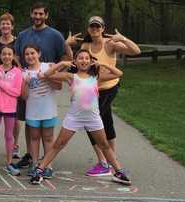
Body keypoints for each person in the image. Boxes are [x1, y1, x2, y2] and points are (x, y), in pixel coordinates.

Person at [30, 49, 131, 186]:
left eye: (86, 58)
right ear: (75, 62)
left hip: (93, 117)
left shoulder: (96, 76)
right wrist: (63, 63)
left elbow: (119, 73)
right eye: (80, 58)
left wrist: (103, 64)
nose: (84, 61)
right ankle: (39, 170)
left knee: (104, 145)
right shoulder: (71, 76)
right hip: (74, 117)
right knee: (58, 144)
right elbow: (47, 74)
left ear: (91, 61)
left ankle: (118, 171)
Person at [66, 16, 141, 176]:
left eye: (98, 27)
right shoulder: (86, 45)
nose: (95, 29)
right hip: (92, 90)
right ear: (88, 29)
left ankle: (104, 162)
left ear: (103, 28)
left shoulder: (111, 43)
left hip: (109, 88)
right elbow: (75, 64)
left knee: (91, 122)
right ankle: (111, 159)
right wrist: (67, 45)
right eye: (92, 27)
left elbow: (136, 51)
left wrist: (124, 39)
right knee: (106, 121)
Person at [14, 2, 72, 171]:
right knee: (32, 131)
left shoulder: (55, 35)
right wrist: (21, 76)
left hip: (48, 93)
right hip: (30, 90)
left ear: (46, 15)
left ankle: (46, 164)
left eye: (41, 14)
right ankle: (32, 160)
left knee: (47, 135)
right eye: (35, 13)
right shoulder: (23, 34)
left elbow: (64, 58)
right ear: (31, 14)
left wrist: (51, 74)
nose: (38, 16)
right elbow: (18, 56)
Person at [21, 44, 59, 177]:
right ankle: (35, 163)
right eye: (27, 54)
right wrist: (25, 82)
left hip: (48, 109)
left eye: (32, 53)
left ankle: (48, 165)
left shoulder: (48, 67)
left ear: (39, 54)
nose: (30, 56)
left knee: (48, 138)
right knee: (34, 137)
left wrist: (47, 77)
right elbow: (24, 96)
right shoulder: (24, 72)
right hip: (32, 111)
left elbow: (58, 86)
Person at [0, 45, 23, 176]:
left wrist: (1, 84)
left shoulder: (18, 72)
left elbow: (17, 92)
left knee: (9, 136)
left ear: (13, 56)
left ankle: (9, 162)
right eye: (4, 54)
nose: (6, 56)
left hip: (10, 107)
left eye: (9, 54)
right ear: (0, 56)